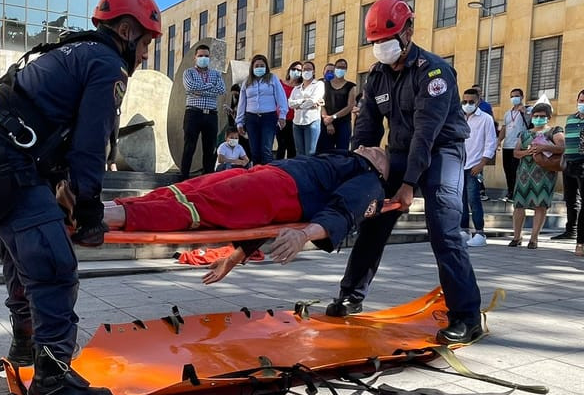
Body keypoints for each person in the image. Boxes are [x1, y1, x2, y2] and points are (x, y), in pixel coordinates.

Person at [0, 0, 162, 395]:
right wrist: (89, 213)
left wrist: (61, 185)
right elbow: (91, 144)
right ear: (125, 29)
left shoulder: (73, 53)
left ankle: (25, 343)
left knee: (23, 255)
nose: (144, 56)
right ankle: (51, 376)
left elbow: (52, 127)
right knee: (54, 264)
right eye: (146, 44)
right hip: (0, 158)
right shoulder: (105, 63)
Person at [325, 0, 483, 345]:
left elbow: (427, 133)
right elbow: (366, 129)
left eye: (387, 40)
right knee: (374, 219)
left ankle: (467, 317)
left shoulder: (435, 72)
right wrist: (360, 168)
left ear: (408, 31)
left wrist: (408, 184)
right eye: (376, 43)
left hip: (442, 151)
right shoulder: (377, 77)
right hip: (398, 152)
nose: (381, 48)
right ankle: (351, 295)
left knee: (444, 228)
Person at [101, 146, 389, 282]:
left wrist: (303, 235)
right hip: (267, 174)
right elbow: (261, 220)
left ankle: (103, 218)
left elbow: (343, 211)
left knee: (195, 208)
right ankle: (102, 210)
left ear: (381, 168)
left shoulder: (370, 181)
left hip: (280, 188)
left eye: (377, 151)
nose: (368, 147)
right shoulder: (347, 158)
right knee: (180, 193)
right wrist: (235, 258)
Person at [509, 102, 565, 249]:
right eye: (536, 116)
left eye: (542, 116)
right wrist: (527, 152)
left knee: (540, 205)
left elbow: (562, 148)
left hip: (545, 173)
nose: (538, 118)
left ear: (549, 117)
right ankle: (517, 236)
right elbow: (515, 152)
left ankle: (534, 239)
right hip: (524, 174)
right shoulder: (525, 133)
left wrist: (544, 147)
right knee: (519, 205)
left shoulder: (555, 131)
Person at [180, 44, 226, 178]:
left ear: (210, 57)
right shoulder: (188, 72)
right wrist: (210, 87)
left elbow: (221, 90)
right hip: (194, 113)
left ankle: (208, 177)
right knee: (189, 146)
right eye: (200, 56)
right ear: (195, 57)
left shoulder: (216, 74)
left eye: (206, 56)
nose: (203, 58)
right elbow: (189, 86)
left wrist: (200, 91)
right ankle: (184, 176)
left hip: (211, 114)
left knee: (210, 148)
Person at [460, 88, 497, 247]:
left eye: (471, 102)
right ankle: (463, 230)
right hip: (458, 165)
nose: (467, 104)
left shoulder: (486, 119)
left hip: (475, 165)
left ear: (478, 101)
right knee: (460, 200)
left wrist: (481, 163)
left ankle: (480, 232)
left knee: (474, 199)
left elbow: (491, 143)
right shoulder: (457, 117)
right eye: (465, 101)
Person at [235, 55, 288, 165]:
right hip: (251, 118)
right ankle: (256, 176)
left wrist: (282, 115)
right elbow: (242, 102)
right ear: (252, 68)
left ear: (266, 67)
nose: (259, 68)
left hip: (268, 117)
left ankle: (267, 176)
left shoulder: (272, 78)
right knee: (254, 151)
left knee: (266, 150)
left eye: (262, 66)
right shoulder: (247, 81)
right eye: (257, 66)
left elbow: (281, 97)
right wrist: (239, 122)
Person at [555, 89, 584, 245]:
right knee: (570, 198)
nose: (582, 103)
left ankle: (580, 236)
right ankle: (570, 230)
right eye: (580, 100)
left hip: (582, 163)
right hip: (568, 162)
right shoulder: (571, 118)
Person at [498, 88, 531, 202]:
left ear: (522, 97)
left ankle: (519, 193)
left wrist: (525, 112)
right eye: (512, 96)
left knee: (517, 170)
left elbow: (531, 123)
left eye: (516, 96)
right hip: (507, 145)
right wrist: (498, 140)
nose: (514, 98)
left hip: (519, 146)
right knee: (508, 170)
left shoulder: (528, 110)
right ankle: (510, 192)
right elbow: (504, 128)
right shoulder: (507, 113)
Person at [318, 58, 357, 153]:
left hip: (343, 123)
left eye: (344, 68)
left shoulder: (351, 86)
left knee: (342, 152)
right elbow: (320, 103)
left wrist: (333, 117)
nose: (341, 69)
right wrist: (328, 121)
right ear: (335, 68)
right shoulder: (324, 84)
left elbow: (350, 106)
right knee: (325, 153)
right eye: (339, 67)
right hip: (326, 123)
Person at [288, 61, 325, 156]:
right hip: (297, 123)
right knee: (299, 153)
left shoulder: (318, 84)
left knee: (310, 153)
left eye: (309, 69)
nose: (306, 71)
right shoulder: (296, 88)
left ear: (313, 72)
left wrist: (299, 105)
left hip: (311, 122)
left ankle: (310, 171)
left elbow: (313, 100)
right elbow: (290, 104)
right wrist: (304, 101)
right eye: (304, 69)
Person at [471, 84, 495, 201]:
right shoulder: (464, 108)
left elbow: (490, 125)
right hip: (468, 146)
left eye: (478, 91)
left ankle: (481, 190)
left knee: (478, 170)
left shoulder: (486, 107)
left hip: (480, 145)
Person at [276, 61, 302, 159]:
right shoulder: (280, 83)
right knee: (281, 146)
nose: (296, 71)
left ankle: (290, 170)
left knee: (292, 147)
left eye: (299, 70)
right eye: (293, 69)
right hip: (281, 119)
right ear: (289, 70)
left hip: (295, 121)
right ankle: (277, 168)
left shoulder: (301, 87)